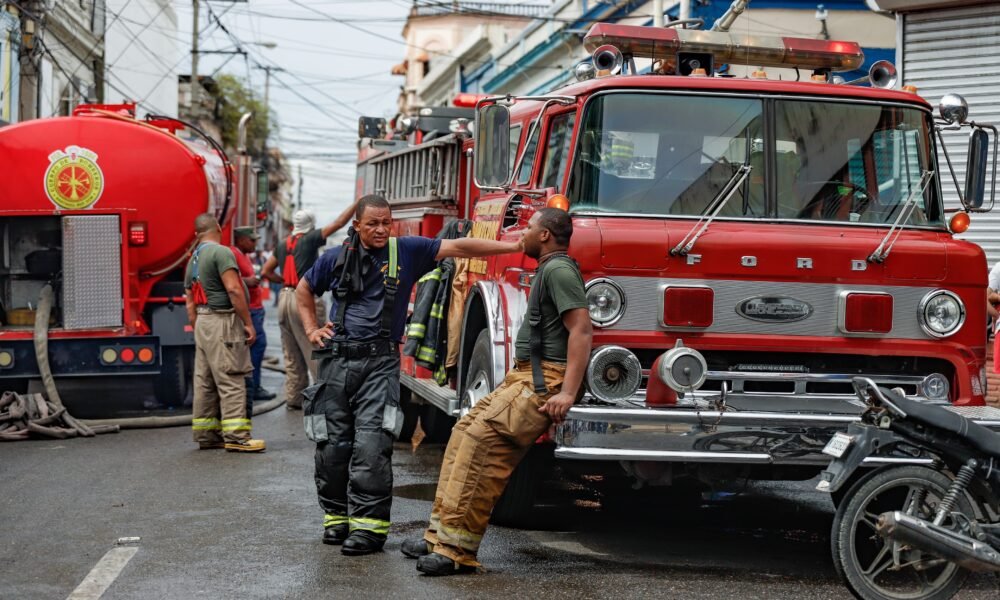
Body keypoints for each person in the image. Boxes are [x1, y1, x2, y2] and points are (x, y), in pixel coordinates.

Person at [296, 194, 523, 556]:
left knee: (371, 446)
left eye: (386, 222)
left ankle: (369, 530)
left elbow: (461, 245)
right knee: (331, 447)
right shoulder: (334, 259)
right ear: (357, 226)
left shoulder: (408, 251)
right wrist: (311, 330)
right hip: (336, 363)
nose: (382, 229)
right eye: (373, 223)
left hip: (379, 364)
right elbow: (303, 289)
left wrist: (514, 244)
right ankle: (336, 518)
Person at [401, 208, 592, 575]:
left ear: (546, 236)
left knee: (483, 447)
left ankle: (456, 550)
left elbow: (582, 330)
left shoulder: (559, 270)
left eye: (530, 228)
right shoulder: (550, 268)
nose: (524, 233)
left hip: (543, 380)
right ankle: (439, 536)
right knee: (463, 433)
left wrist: (566, 393)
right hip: (526, 377)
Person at [261, 202, 358, 409]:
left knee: (292, 352)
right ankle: (323, 398)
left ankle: (295, 398)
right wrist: (358, 203)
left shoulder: (282, 243)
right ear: (310, 225)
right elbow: (339, 222)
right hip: (303, 298)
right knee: (316, 349)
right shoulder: (311, 238)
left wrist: (283, 282)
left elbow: (266, 271)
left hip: (284, 299)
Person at [183, 214, 265, 453]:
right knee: (232, 377)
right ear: (218, 228)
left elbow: (189, 300)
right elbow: (233, 289)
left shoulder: (193, 259)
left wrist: (198, 325)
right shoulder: (221, 252)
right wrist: (247, 322)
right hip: (222, 320)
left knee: (205, 381)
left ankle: (208, 435)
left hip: (203, 321)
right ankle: (237, 437)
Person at [231, 227, 275, 406]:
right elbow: (229, 281)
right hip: (250, 310)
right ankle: (253, 386)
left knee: (256, 347)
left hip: (255, 309)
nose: (255, 244)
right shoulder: (233, 254)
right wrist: (246, 282)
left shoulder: (244, 255)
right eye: (252, 240)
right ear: (241, 240)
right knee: (257, 345)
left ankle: (252, 385)